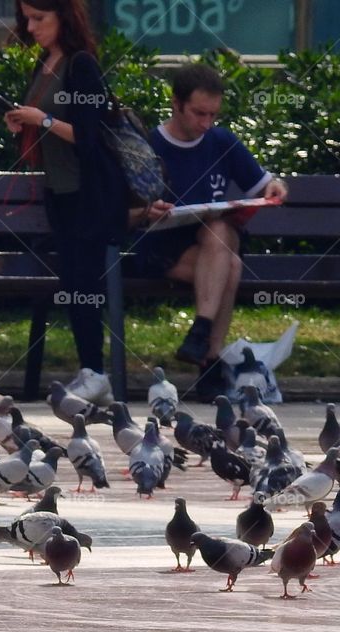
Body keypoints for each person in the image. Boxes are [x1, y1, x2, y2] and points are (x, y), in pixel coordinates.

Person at [135, 63, 288, 401]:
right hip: (167, 246)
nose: (206, 123)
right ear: (175, 103)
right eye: (199, 113)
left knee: (218, 227)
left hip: (214, 242)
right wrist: (148, 210)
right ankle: (210, 359)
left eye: (213, 115)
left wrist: (275, 186)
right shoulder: (150, 145)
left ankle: (200, 331)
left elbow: (263, 183)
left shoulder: (221, 141)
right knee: (229, 264)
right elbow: (124, 208)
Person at [3, 0, 129, 406]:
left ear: (63, 17)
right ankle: (90, 372)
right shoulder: (45, 61)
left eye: (40, 17)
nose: (31, 25)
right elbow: (45, 120)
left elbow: (88, 137)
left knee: (84, 283)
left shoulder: (81, 65)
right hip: (60, 193)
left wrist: (40, 119)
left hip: (88, 194)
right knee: (75, 283)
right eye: (27, 17)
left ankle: (95, 372)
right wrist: (21, 119)